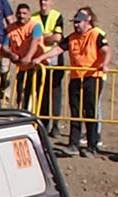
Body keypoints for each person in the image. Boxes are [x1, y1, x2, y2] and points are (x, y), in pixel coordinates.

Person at [42, 7, 110, 156]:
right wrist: (40, 58)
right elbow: (58, 49)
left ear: (87, 22)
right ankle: (73, 143)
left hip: (92, 76)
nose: (76, 25)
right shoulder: (72, 37)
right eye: (75, 23)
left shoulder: (96, 34)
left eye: (79, 22)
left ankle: (92, 145)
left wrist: (104, 64)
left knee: (90, 111)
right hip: (75, 77)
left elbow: (106, 50)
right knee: (75, 111)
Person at [31, 0, 66, 134]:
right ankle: (43, 124)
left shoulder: (57, 16)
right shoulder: (34, 17)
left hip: (55, 60)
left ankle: (56, 124)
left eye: (46, 0)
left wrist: (41, 38)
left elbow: (57, 37)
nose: (43, 3)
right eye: (41, 0)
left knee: (55, 92)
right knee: (43, 92)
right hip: (40, 61)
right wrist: (47, 36)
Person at [3, 3, 45, 111]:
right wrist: (11, 54)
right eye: (19, 13)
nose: (21, 16)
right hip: (21, 66)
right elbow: (4, 47)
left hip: (36, 66)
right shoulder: (10, 28)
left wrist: (28, 57)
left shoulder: (35, 26)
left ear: (29, 14)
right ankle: (22, 112)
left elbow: (35, 42)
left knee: (35, 94)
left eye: (24, 13)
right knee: (21, 93)